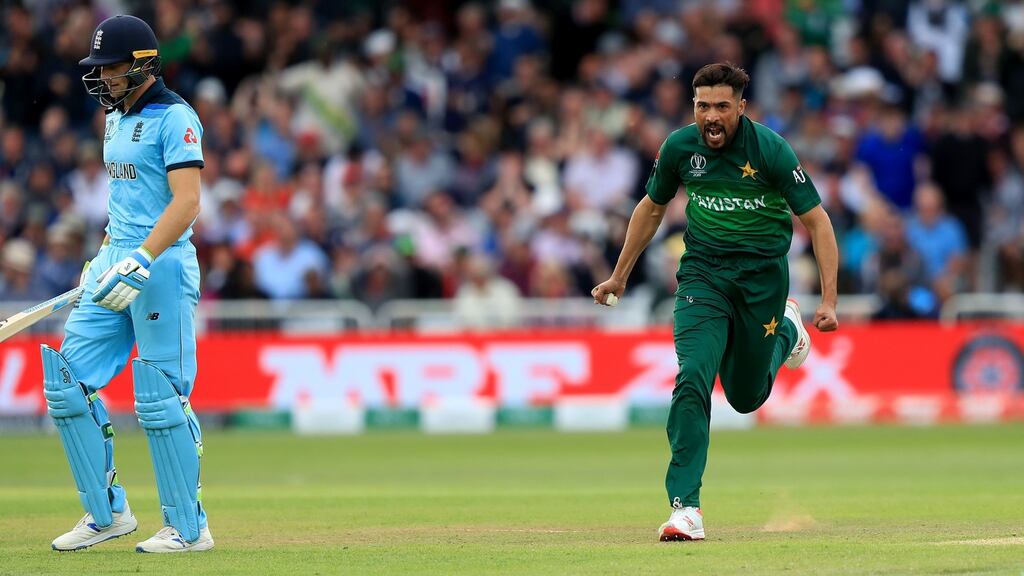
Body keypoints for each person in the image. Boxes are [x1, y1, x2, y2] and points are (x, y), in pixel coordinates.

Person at [592, 63, 839, 541]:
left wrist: (828, 300)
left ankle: (788, 329)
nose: (710, 116)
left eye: (722, 106)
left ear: (741, 108)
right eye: (702, 105)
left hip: (763, 282)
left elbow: (818, 222)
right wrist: (619, 276)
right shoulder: (680, 147)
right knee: (692, 377)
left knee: (746, 398)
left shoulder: (770, 149)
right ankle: (686, 507)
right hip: (702, 276)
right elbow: (652, 208)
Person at [44, 15, 213, 553]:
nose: (103, 80)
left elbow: (187, 202)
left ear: (142, 65)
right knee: (66, 383)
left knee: (162, 397)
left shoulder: (176, 117)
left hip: (159, 264)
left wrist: (142, 256)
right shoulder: (115, 119)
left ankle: (190, 528)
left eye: (111, 69)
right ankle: (107, 513)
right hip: (117, 259)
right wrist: (102, 259)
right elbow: (124, 203)